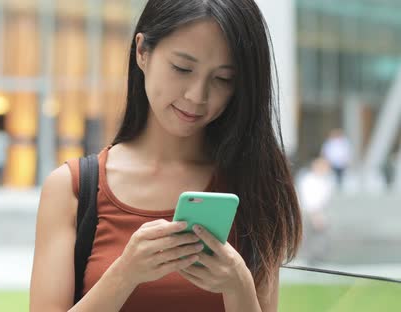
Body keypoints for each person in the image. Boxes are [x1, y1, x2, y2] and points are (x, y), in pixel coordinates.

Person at [30, 1, 302, 311]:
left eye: (223, 79)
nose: (197, 96)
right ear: (142, 52)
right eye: (182, 68)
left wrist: (238, 283)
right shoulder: (73, 189)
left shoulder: (255, 184)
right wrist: (124, 274)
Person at [297, 157, 335, 263]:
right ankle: (306, 261)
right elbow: (309, 199)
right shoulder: (309, 179)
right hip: (310, 212)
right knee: (308, 237)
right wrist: (316, 215)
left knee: (321, 238)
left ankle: (318, 260)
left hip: (321, 211)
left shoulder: (326, 180)